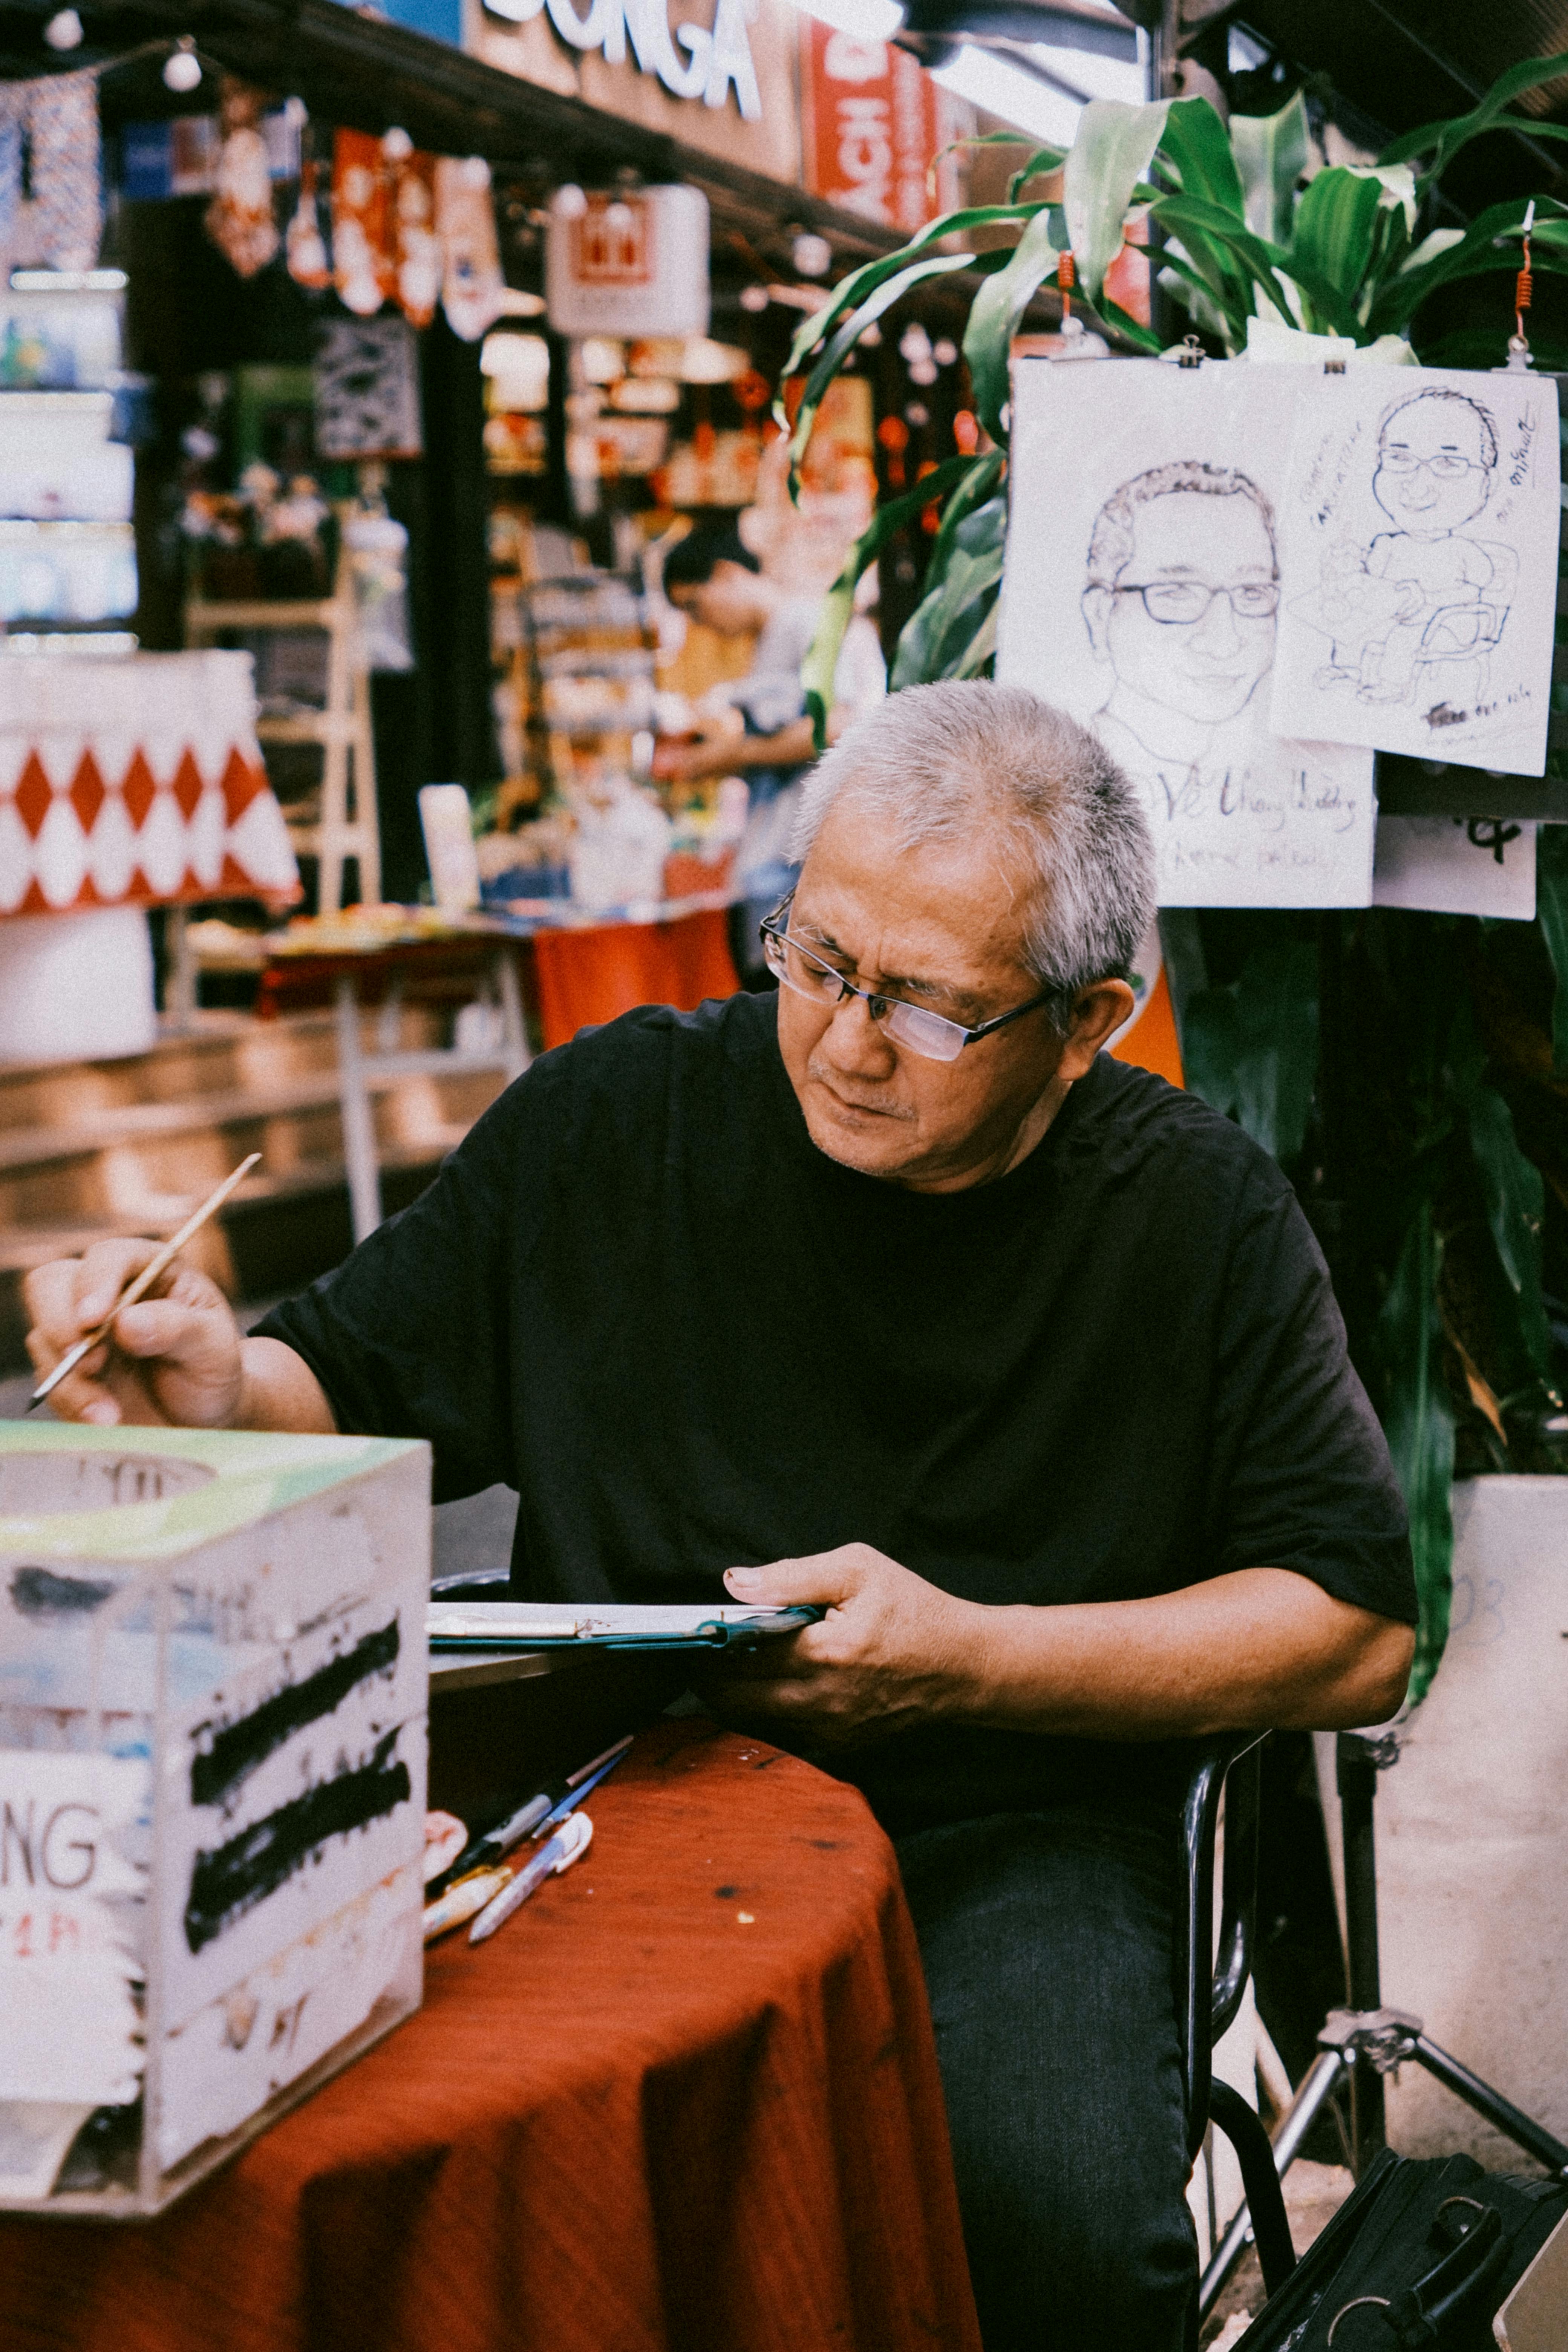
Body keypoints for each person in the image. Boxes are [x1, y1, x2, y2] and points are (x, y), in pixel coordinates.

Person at [26, 681, 1415, 2352]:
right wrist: (211, 1388)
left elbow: (1356, 1627)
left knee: (1032, 2217)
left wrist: (976, 1663)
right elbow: (339, 1372)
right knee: (372, 2136)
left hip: (1011, 1830)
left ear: (1090, 1016)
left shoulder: (1191, 1213)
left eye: (927, 1008)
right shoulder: (620, 1121)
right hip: (608, 1799)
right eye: (818, 960)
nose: (842, 1039)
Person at [658, 519, 885, 971]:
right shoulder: (774, 637)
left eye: (694, 605)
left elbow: (840, 726)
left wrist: (733, 754)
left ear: (725, 573)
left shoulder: (804, 621)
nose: (699, 622)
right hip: (779, 871)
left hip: (800, 873)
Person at [1081, 460, 1280, 803]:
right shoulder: (1064, 773)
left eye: (1251, 592)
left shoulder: (1274, 780)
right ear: (1101, 616)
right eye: (1177, 592)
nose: (1224, 643)